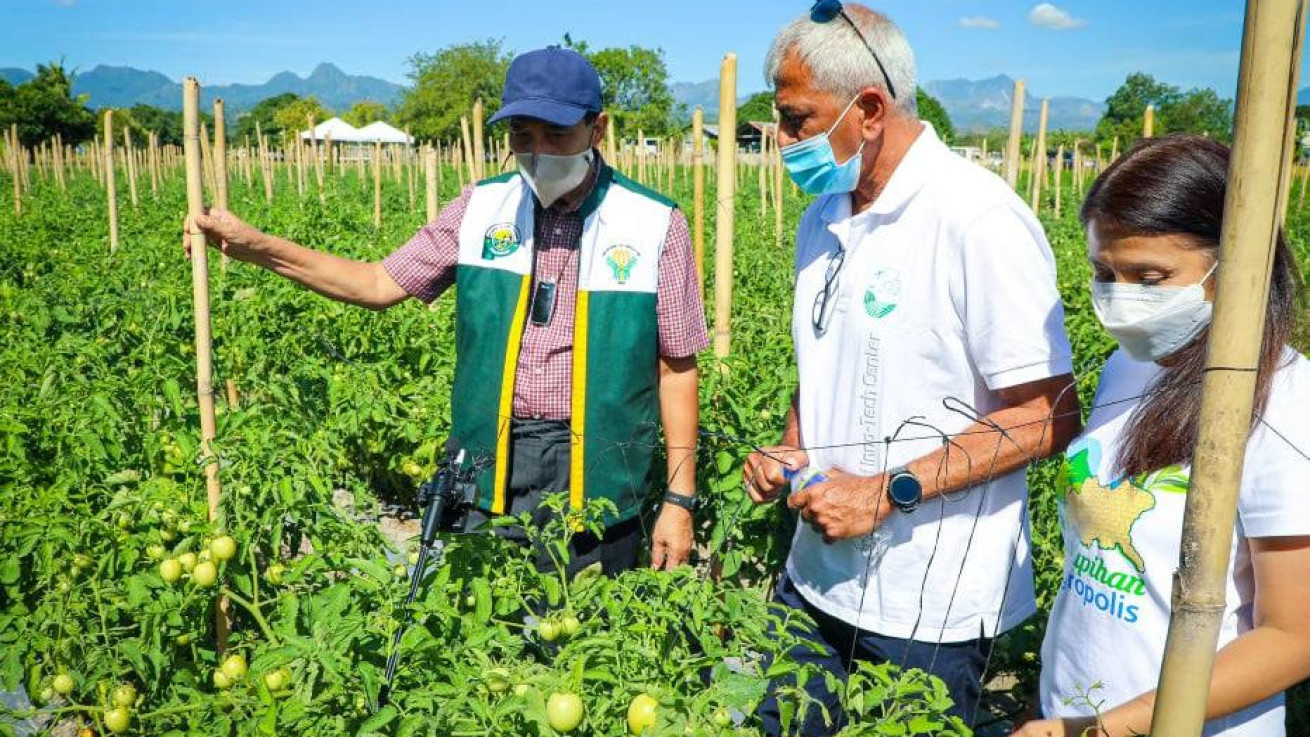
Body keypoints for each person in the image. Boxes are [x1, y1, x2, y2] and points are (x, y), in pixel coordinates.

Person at [187, 47, 709, 575]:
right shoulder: (481, 207)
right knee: (484, 635)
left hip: (599, 466)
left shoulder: (651, 222)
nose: (538, 153)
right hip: (489, 459)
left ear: (597, 129)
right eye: (522, 137)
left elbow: (677, 368)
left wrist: (679, 501)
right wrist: (257, 247)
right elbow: (376, 282)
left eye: (556, 135)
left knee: (588, 634)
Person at [740, 3, 1080, 733]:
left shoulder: (976, 219)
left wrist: (888, 490)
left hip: (931, 606)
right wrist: (793, 440)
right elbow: (824, 354)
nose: (781, 139)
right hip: (814, 579)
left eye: (796, 119)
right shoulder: (823, 212)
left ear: (867, 109)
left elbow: (1049, 412)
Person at [1011, 136, 1310, 737]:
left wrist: (1107, 727)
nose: (1122, 300)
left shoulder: (1287, 403)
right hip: (1074, 708)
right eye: (1105, 273)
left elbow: (1293, 636)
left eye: (1149, 276)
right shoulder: (1135, 362)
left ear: (1237, 262)